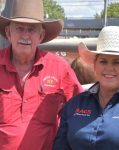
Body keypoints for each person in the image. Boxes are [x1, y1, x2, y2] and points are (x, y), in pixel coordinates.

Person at [0, 0, 83, 149]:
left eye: (31, 29)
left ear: (41, 35)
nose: (25, 35)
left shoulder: (59, 68)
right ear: (8, 32)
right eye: (19, 28)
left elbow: (81, 108)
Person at [52, 26, 119, 150]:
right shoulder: (74, 105)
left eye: (117, 62)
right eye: (103, 61)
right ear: (95, 66)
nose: (109, 68)